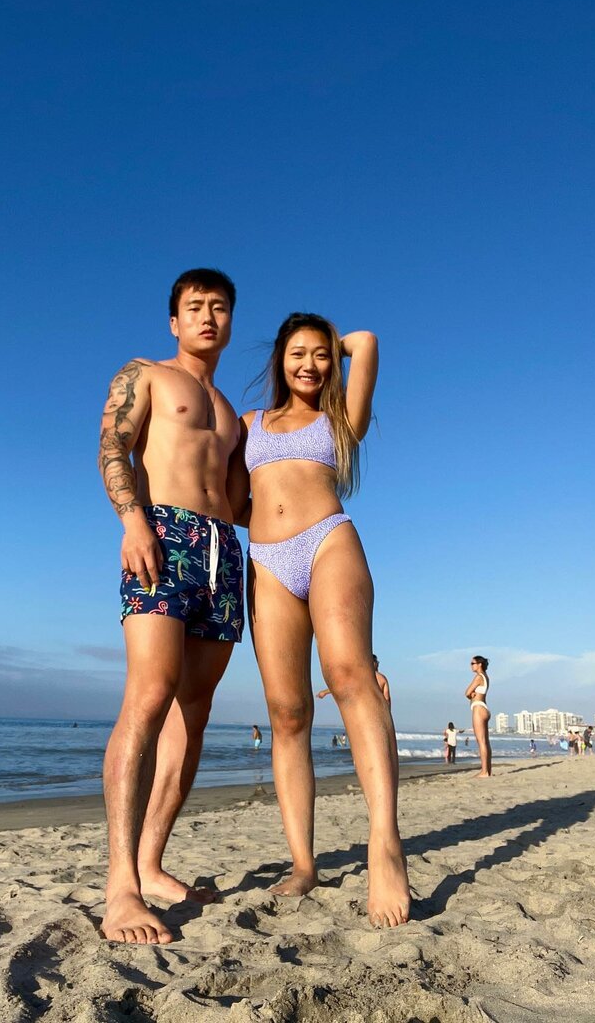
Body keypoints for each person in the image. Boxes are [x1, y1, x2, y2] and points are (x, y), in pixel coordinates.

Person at [237, 313, 409, 927]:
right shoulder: (249, 423)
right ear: (278, 360)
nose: (309, 364)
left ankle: (384, 843)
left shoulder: (340, 421)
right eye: (296, 354)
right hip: (266, 561)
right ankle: (304, 864)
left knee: (349, 676)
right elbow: (225, 492)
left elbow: (368, 341)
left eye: (319, 355)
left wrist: (333, 346)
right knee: (287, 713)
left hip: (328, 542)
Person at [97, 268, 245, 945]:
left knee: (195, 710)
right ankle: (121, 885)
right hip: (163, 533)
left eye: (219, 307)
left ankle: (152, 864)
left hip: (223, 551)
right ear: (174, 321)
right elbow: (112, 446)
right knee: (150, 694)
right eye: (195, 307)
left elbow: (241, 501)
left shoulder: (233, 413)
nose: (208, 316)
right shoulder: (148, 375)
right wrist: (133, 523)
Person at [464, 655, 492, 777]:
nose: (471, 666)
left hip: (478, 708)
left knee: (481, 741)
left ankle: (484, 771)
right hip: (483, 707)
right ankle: (488, 770)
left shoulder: (479, 677)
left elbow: (467, 692)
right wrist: (472, 694)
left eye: (473, 663)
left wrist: (470, 695)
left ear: (479, 664)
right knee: (485, 742)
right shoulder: (485, 677)